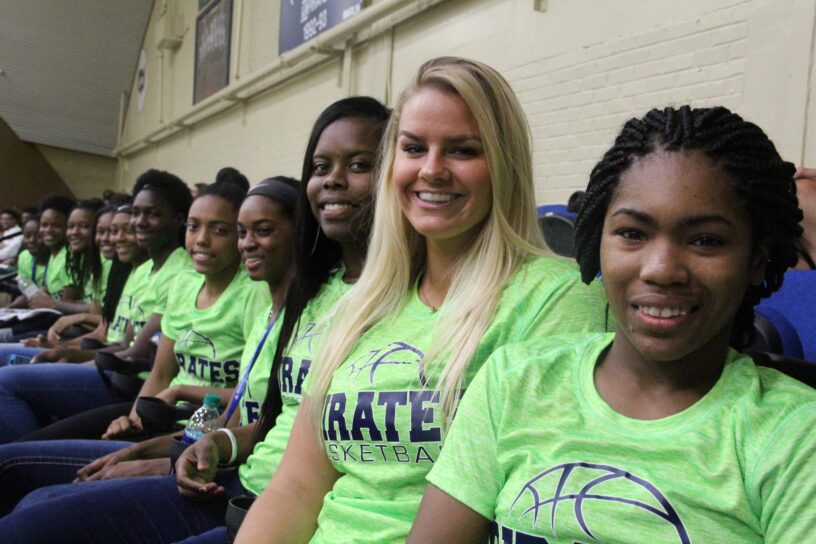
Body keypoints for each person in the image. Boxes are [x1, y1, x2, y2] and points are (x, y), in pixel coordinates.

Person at [234, 57, 608, 544]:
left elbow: (538, 506)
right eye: (414, 148)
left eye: (463, 150)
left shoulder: (559, 298)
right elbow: (297, 488)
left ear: (504, 164)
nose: (431, 170)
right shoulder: (360, 306)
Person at [408, 105, 816, 544]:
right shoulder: (514, 381)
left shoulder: (794, 435)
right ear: (596, 238)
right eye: (633, 233)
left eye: (706, 241)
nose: (661, 269)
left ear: (756, 259)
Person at [0, 96, 390, 544]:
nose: (242, 244)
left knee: (27, 486)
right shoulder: (293, 300)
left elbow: (281, 436)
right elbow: (250, 415)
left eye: (247, 230)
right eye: (237, 231)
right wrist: (168, 440)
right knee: (33, 500)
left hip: (243, 482)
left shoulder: (282, 300)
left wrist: (169, 442)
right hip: (208, 450)